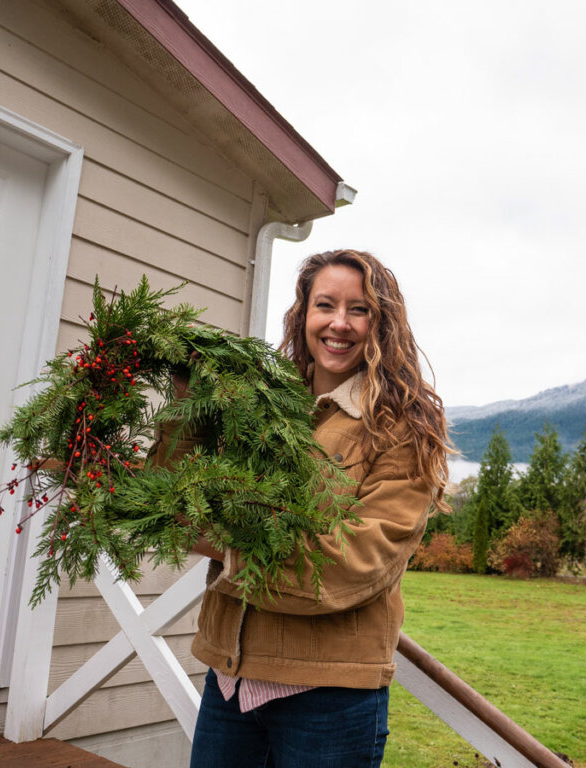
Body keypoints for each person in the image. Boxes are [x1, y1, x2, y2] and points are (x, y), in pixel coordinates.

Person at [183, 249, 452, 768]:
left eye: (360, 309)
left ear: (383, 324)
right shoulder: (263, 408)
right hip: (230, 683)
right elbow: (180, 495)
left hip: (328, 699)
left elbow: (353, 564)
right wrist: (185, 401)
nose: (339, 323)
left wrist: (228, 541)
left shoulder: (401, 430)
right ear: (303, 315)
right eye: (325, 305)